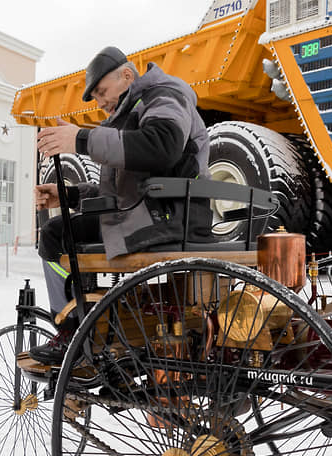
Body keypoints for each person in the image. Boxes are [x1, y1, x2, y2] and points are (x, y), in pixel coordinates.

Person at [29, 46, 212, 363]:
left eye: (101, 91)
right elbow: (119, 193)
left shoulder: (164, 95)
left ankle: (72, 334)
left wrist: (81, 140)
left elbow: (162, 146)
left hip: (167, 218)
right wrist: (69, 196)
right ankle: (86, 325)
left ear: (127, 75)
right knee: (56, 232)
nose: (100, 103)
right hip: (150, 214)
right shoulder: (130, 116)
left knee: (57, 235)